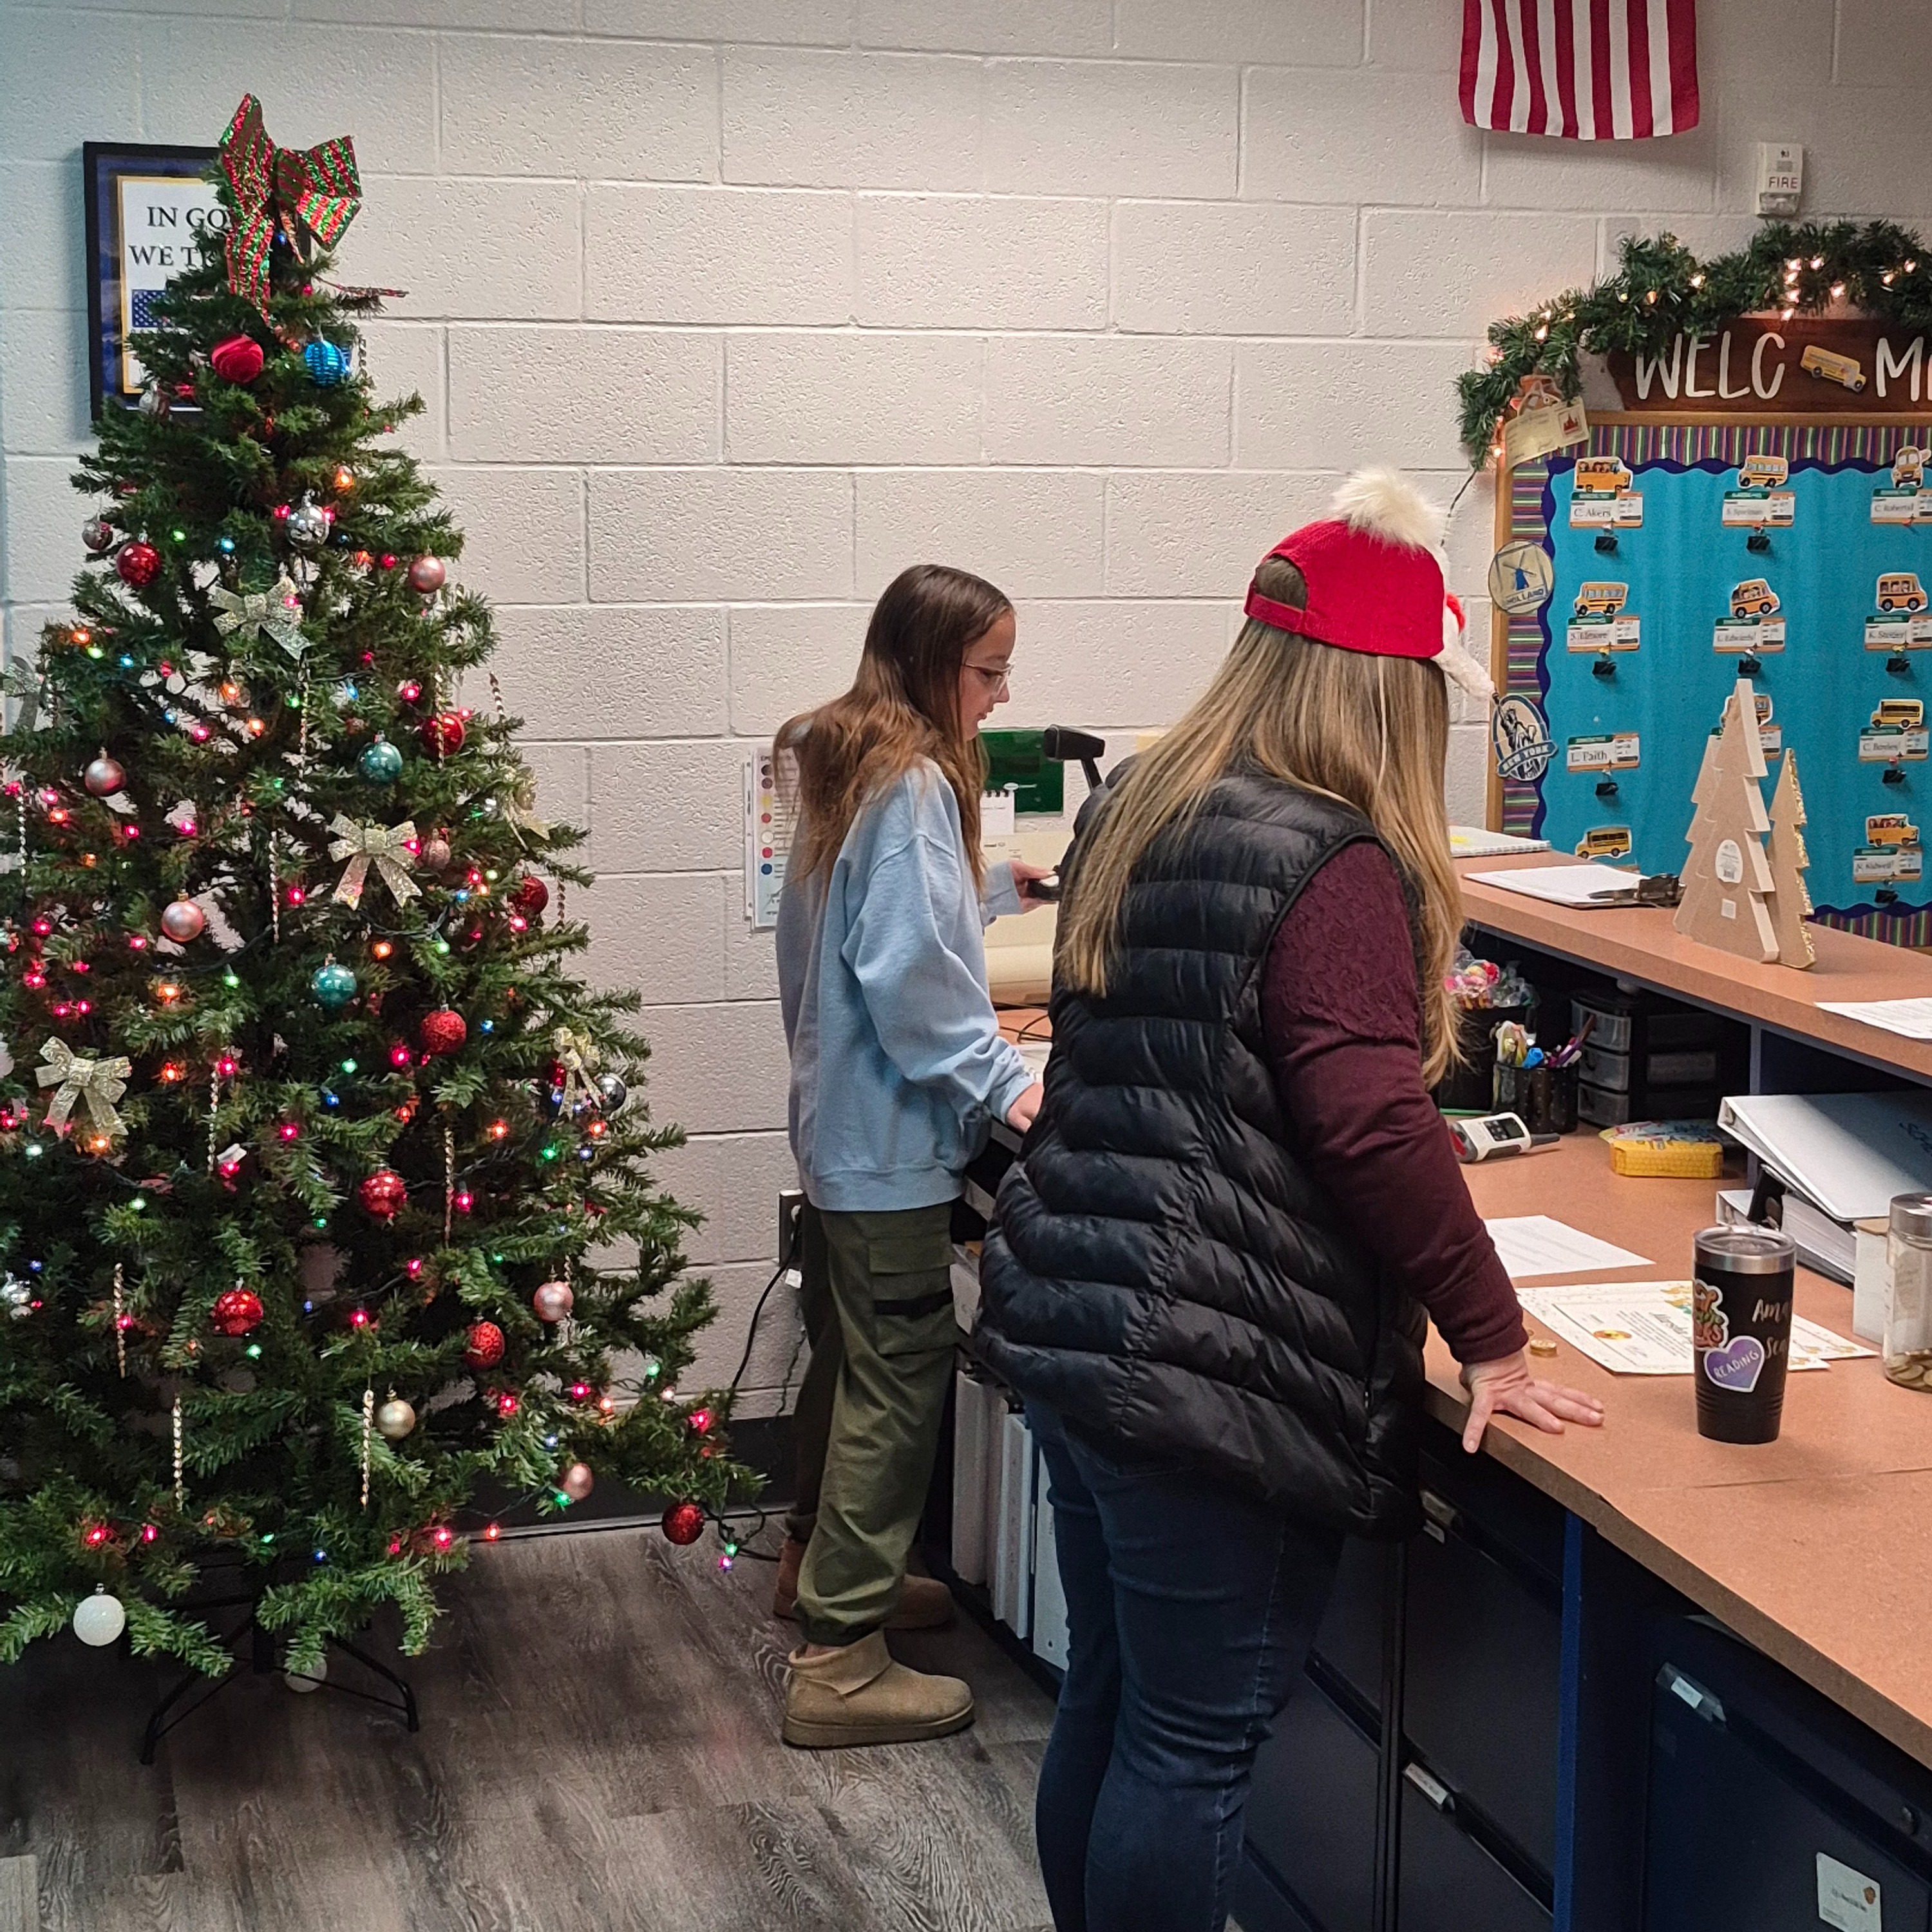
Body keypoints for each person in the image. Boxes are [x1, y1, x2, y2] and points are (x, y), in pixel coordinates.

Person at [976, 471, 1604, 1932]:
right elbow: (1375, 1126)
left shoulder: (1145, 796)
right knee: (1191, 1750)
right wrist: (1494, 1338)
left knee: (1121, 1703)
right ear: (1390, 696)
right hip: (1207, 1368)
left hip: (1085, 1312)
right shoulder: (1333, 855)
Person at [773, 562, 1048, 1750]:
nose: (996, 695)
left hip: (838, 1134)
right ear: (936, 665)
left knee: (845, 1356)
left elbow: (869, 919)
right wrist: (1009, 1083)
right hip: (889, 1144)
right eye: (987, 674)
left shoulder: (850, 766)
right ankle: (836, 1665)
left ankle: (816, 1568)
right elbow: (915, 981)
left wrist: (993, 882)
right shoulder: (919, 783)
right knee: (899, 1371)